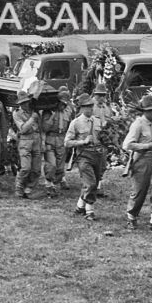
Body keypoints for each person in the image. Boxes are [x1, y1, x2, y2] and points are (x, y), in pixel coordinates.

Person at [122, 93, 152, 235]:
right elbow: (127, 144)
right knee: (139, 191)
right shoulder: (138, 124)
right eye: (151, 111)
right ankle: (131, 216)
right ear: (145, 112)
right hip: (142, 160)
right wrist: (147, 146)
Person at [64, 93, 103, 222]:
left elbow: (103, 137)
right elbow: (67, 142)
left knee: (94, 183)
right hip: (83, 156)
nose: (90, 109)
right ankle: (89, 211)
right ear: (81, 108)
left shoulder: (97, 121)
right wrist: (82, 142)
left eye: (91, 106)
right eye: (87, 106)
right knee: (91, 183)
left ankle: (80, 207)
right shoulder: (75, 123)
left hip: (97, 155)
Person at [41, 86, 73, 196]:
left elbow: (70, 126)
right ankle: (48, 184)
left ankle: (57, 182)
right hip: (50, 139)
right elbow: (45, 128)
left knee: (60, 166)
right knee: (51, 164)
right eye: (61, 103)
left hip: (62, 139)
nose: (63, 105)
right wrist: (52, 116)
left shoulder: (68, 111)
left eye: (65, 103)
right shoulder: (48, 112)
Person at [13, 92, 43, 199]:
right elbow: (23, 129)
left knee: (36, 169)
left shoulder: (35, 112)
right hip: (25, 141)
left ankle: (28, 188)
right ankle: (19, 186)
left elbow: (40, 128)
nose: (25, 105)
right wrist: (32, 119)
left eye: (26, 102)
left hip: (36, 140)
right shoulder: (17, 114)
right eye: (22, 103)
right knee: (25, 167)